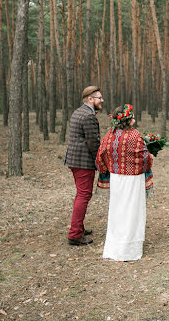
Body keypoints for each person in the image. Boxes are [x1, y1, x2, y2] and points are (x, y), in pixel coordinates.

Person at [96, 104, 154, 261]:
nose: (134, 119)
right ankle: (129, 250)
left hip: (116, 179)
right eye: (133, 117)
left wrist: (109, 167)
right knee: (132, 211)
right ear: (128, 120)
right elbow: (144, 157)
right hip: (133, 180)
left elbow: (101, 154)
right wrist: (150, 157)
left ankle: (114, 248)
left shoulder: (109, 135)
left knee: (117, 211)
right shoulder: (135, 136)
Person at [64, 86, 104, 246]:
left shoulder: (78, 112)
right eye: (99, 98)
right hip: (82, 162)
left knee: (81, 194)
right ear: (90, 99)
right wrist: (100, 161)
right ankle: (74, 234)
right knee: (83, 195)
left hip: (74, 160)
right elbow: (93, 142)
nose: (102, 100)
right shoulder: (88, 116)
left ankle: (78, 228)